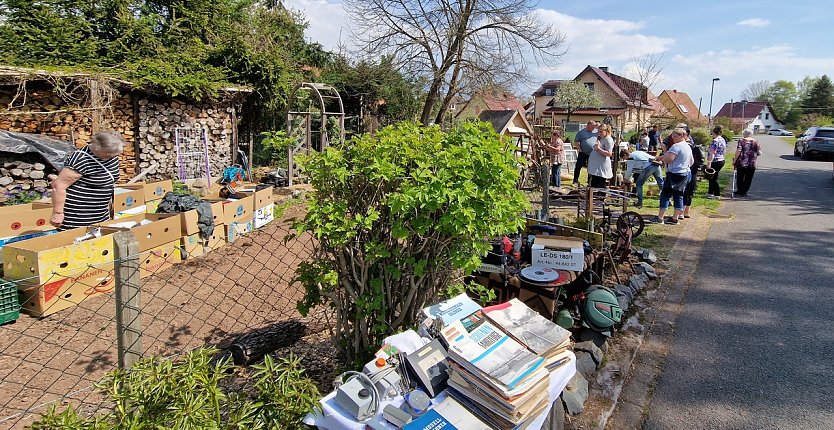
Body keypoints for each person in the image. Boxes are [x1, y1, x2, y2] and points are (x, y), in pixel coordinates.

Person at [50, 131, 125, 230]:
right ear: (97, 147)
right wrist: (58, 213)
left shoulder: (112, 155)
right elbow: (58, 186)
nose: (112, 156)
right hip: (78, 216)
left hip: (100, 214)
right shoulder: (80, 159)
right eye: (109, 153)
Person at [654, 127, 693, 225]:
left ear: (681, 136)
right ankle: (675, 218)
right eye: (673, 136)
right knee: (679, 195)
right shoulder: (688, 146)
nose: (673, 138)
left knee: (665, 194)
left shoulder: (676, 146)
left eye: (675, 136)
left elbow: (669, 159)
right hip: (684, 173)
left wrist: (664, 158)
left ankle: (660, 217)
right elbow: (691, 162)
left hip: (674, 174)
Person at [681, 125, 703, 219]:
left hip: (687, 170)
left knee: (684, 191)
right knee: (689, 191)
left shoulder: (685, 146)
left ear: (686, 135)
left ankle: (681, 212)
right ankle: (686, 212)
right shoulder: (693, 144)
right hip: (693, 170)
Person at [733, 129, 762, 197]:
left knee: (740, 177)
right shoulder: (756, 142)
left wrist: (734, 161)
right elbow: (759, 152)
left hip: (742, 162)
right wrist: (753, 155)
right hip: (752, 163)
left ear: (744, 134)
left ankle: (739, 190)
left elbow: (738, 151)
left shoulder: (741, 141)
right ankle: (744, 192)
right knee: (748, 178)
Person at [587, 123, 614, 188]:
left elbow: (609, 153)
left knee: (600, 184)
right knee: (594, 183)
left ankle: (601, 197)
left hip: (601, 166)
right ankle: (594, 196)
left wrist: (598, 149)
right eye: (598, 131)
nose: (599, 133)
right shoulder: (601, 138)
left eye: (601, 131)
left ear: (606, 131)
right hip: (596, 166)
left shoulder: (608, 140)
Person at [572, 121, 598, 185]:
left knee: (590, 167)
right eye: (593, 126)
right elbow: (576, 141)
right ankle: (575, 180)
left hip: (592, 154)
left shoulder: (596, 132)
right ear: (588, 125)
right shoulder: (581, 132)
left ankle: (589, 181)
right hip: (583, 153)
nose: (594, 128)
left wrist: (597, 125)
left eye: (594, 126)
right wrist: (579, 149)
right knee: (578, 166)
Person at [706, 125, 727, 199]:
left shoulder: (715, 141)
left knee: (713, 178)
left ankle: (717, 194)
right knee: (712, 178)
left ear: (714, 132)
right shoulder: (722, 140)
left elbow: (713, 152)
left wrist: (709, 162)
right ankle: (710, 193)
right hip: (721, 159)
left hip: (715, 160)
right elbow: (724, 151)